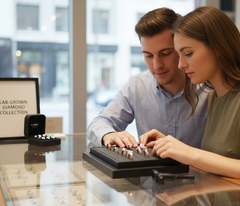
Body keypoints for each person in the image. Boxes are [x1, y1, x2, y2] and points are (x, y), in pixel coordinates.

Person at [140, 6, 240, 200]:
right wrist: (173, 149)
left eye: (188, 53)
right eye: (179, 55)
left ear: (219, 49)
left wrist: (190, 153)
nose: (181, 64)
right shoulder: (215, 96)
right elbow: (221, 164)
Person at [87, 8, 209, 148]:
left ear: (180, 49)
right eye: (148, 55)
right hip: (149, 170)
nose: (157, 65)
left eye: (166, 53)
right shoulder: (137, 85)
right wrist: (108, 134)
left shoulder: (209, 87)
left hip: (198, 170)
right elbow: (99, 123)